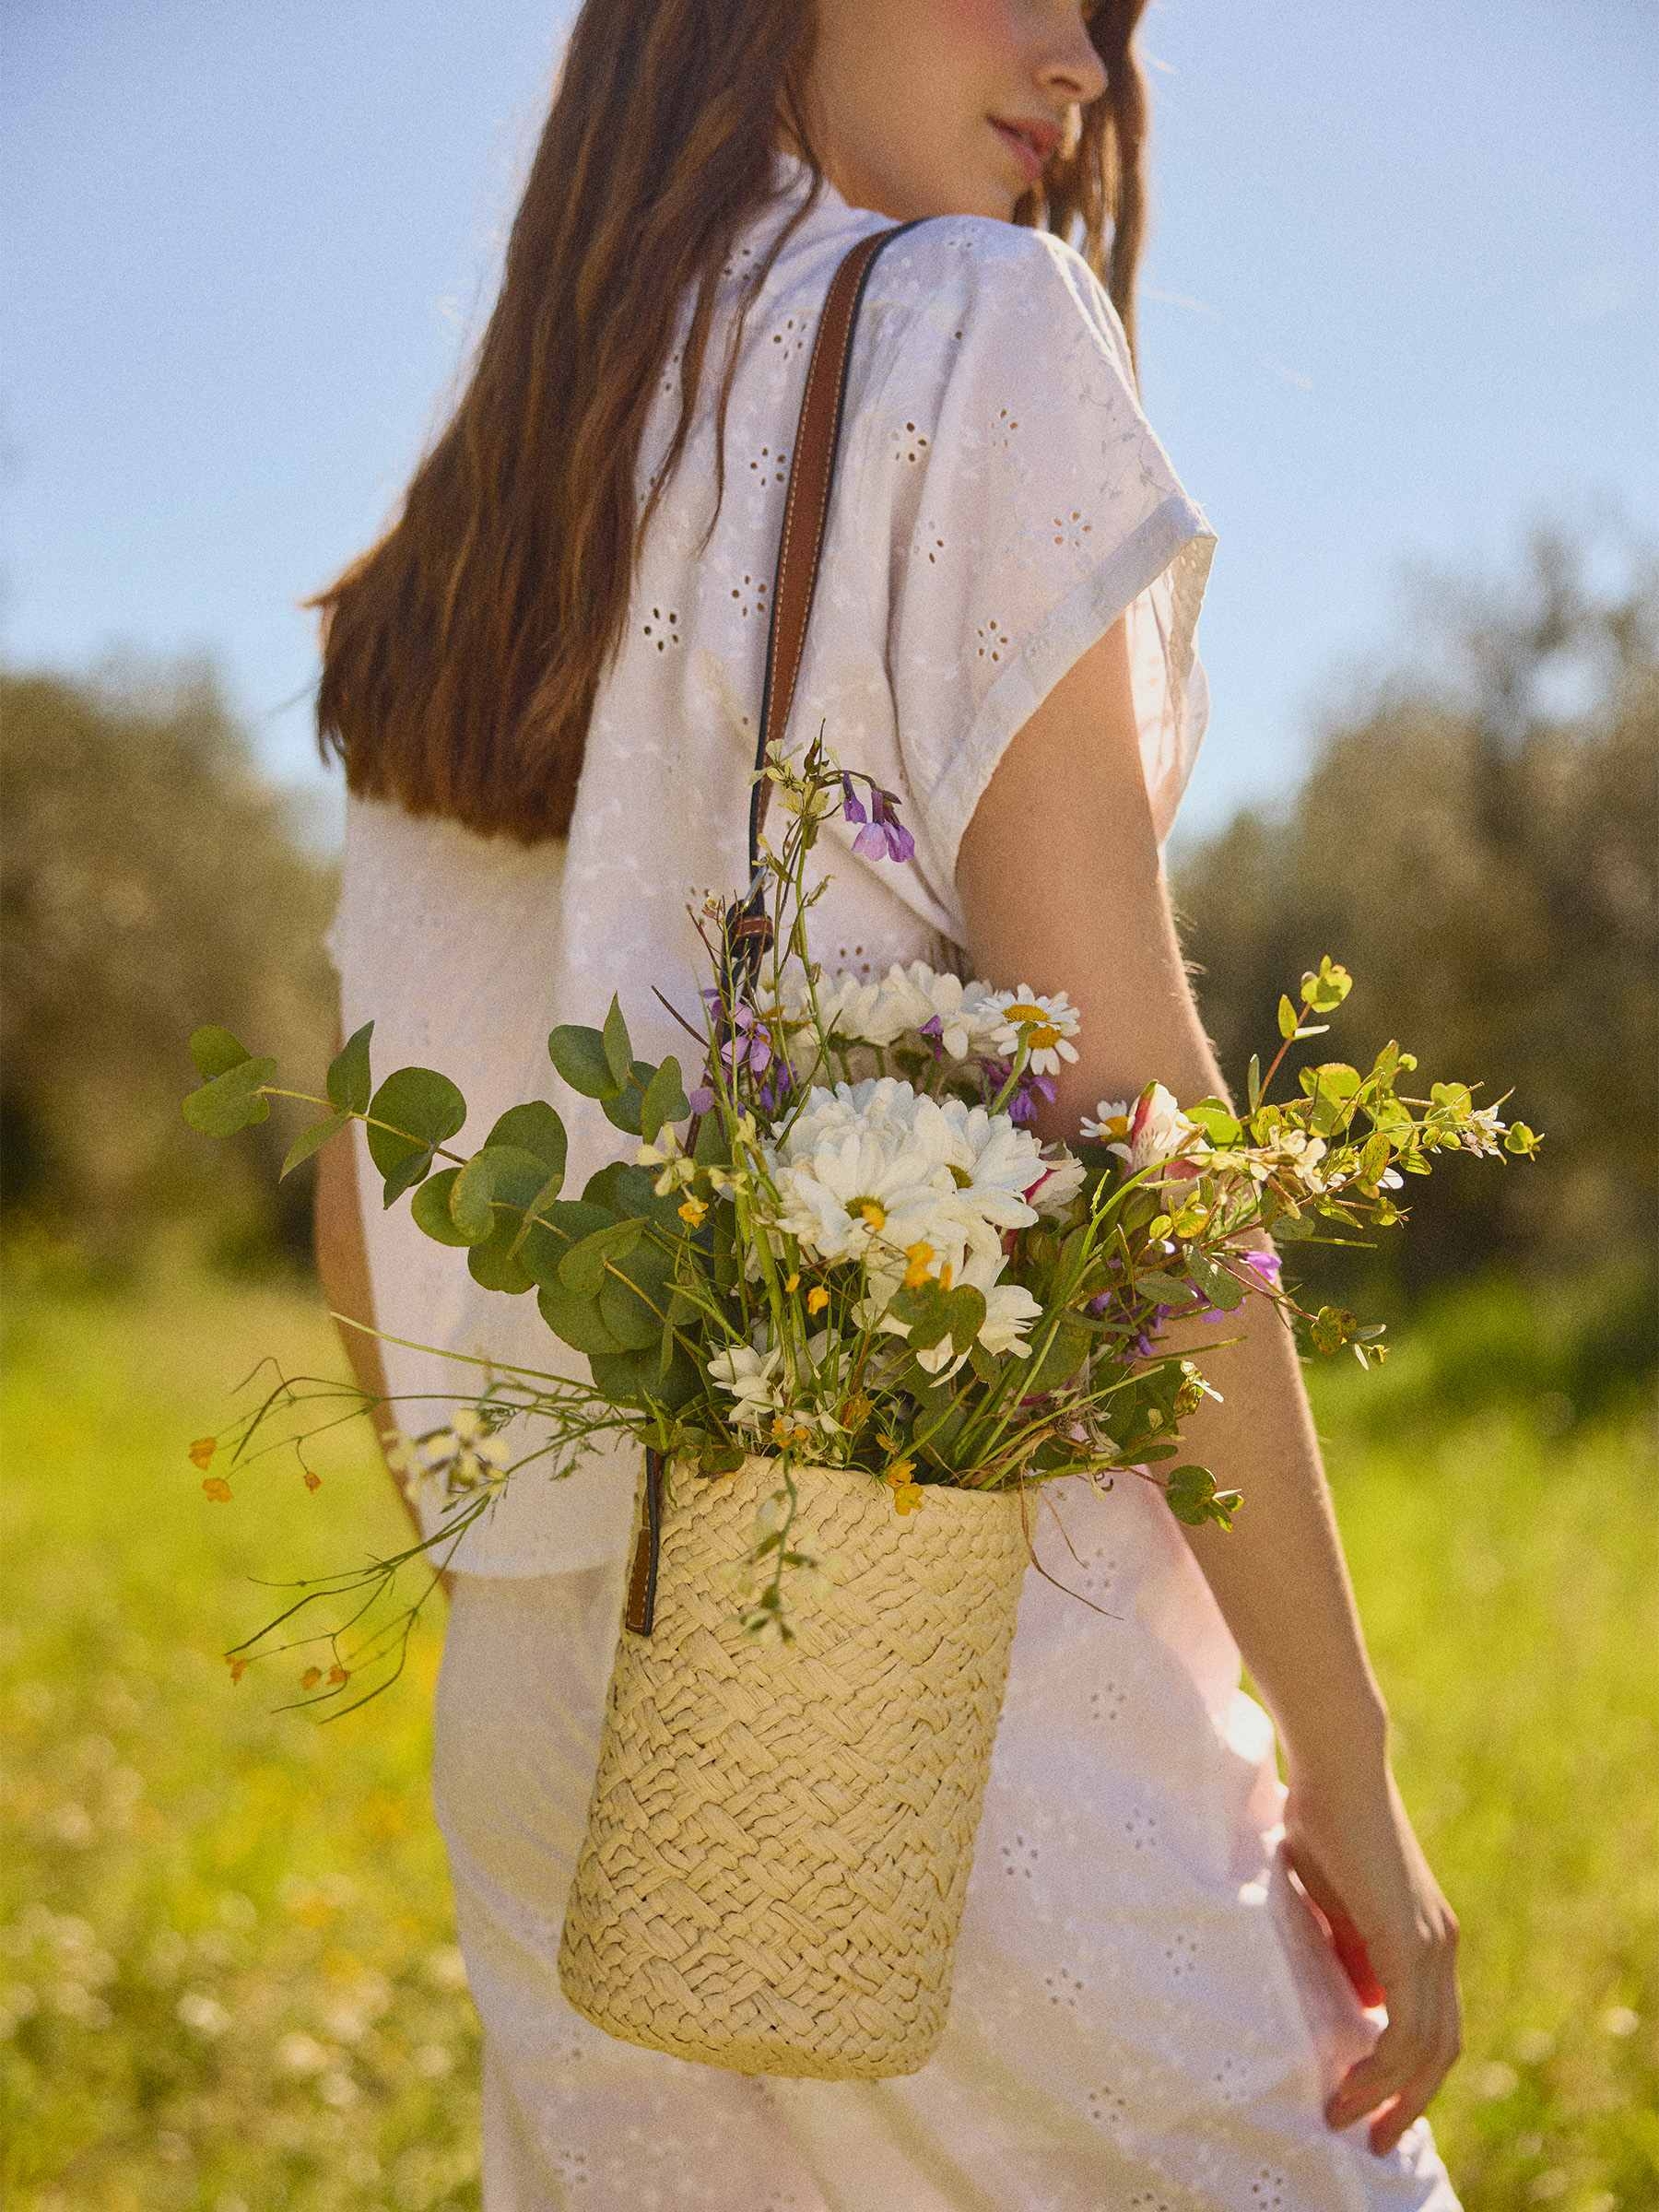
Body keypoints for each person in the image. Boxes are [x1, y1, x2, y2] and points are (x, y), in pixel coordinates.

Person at [309, 1, 1466, 2203]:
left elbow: (372, 1184)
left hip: (549, 1682)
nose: (1081, 64)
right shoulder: (967, 323)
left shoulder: (491, 500)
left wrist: (527, 1595)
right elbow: (1133, 1114)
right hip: (939, 1678)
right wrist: (1346, 1754)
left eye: (1114, 15)